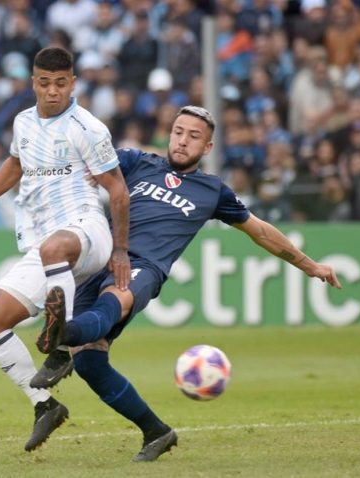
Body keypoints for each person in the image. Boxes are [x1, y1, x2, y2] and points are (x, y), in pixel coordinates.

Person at [30, 105, 342, 462]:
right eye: (178, 132)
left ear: (207, 147)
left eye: (194, 136)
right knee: (90, 365)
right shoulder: (136, 162)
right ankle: (157, 433)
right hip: (101, 254)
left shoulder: (213, 191)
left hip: (143, 267)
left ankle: (60, 335)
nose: (182, 141)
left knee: (113, 301)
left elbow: (260, 232)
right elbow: (87, 162)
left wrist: (309, 265)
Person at [0, 47, 130, 452]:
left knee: (54, 246)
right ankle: (44, 405)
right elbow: (15, 164)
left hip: (86, 232)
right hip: (45, 248)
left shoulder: (88, 127)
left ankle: (61, 346)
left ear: (73, 83)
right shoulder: (23, 122)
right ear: (33, 83)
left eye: (60, 84)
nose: (52, 92)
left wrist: (120, 250)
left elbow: (117, 189)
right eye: (44, 83)